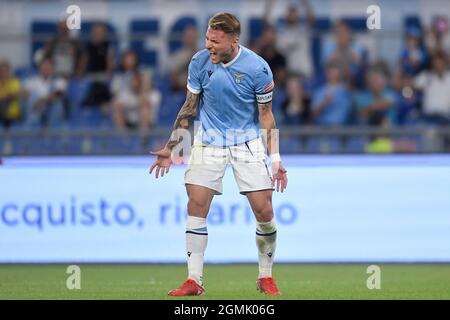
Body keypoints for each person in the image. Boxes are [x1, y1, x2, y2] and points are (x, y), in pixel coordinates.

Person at [149, 12, 288, 297]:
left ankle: (265, 275)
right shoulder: (199, 62)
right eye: (207, 39)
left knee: (264, 211)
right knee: (196, 204)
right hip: (209, 139)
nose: (209, 45)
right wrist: (173, 145)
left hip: (246, 141)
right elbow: (190, 107)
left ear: (234, 41)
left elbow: (266, 116)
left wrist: (275, 160)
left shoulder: (258, 68)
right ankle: (194, 280)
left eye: (216, 41)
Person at [111, 49, 161, 130]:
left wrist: (143, 95)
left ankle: (143, 140)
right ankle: (123, 140)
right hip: (128, 124)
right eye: (133, 80)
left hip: (149, 126)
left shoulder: (154, 95)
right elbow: (117, 103)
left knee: (145, 109)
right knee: (117, 108)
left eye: (137, 80)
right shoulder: (126, 94)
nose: (135, 82)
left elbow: (146, 103)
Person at [22, 58, 67, 128]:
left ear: (53, 69)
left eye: (49, 67)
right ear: (39, 68)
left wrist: (43, 100)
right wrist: (35, 99)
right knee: (32, 97)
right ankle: (32, 128)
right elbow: (23, 94)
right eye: (44, 67)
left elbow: (59, 94)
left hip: (51, 110)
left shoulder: (59, 81)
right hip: (35, 108)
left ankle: (53, 129)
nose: (46, 69)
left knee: (57, 103)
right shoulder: (30, 81)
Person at [0, 60, 21, 128]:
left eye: (5, 71)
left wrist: (6, 97)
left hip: (12, 112)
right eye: (1, 71)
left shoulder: (15, 82)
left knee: (5, 102)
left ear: (9, 72)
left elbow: (15, 95)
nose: (3, 73)